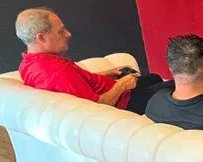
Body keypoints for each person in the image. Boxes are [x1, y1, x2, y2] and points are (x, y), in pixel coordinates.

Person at [15, 7, 167, 115]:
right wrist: (122, 84)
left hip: (116, 93)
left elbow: (73, 83)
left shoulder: (28, 64)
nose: (68, 34)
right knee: (171, 87)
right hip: (124, 103)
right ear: (42, 37)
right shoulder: (57, 71)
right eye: (61, 31)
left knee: (154, 77)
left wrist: (106, 74)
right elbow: (96, 107)